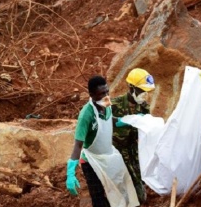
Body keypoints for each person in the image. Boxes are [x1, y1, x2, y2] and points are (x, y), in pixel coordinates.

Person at [65, 75, 139, 207]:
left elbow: (109, 119)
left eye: (107, 92)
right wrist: (71, 172)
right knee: (99, 198)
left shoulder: (105, 103)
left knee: (122, 190)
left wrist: (127, 121)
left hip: (109, 156)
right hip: (92, 161)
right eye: (101, 93)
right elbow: (78, 145)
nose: (106, 96)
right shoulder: (86, 115)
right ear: (91, 94)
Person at [111, 68, 156, 204]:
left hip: (133, 151)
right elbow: (97, 119)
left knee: (140, 193)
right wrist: (117, 121)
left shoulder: (144, 108)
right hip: (116, 151)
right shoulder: (114, 104)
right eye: (142, 91)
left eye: (147, 92)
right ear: (131, 88)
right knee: (122, 188)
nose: (145, 95)